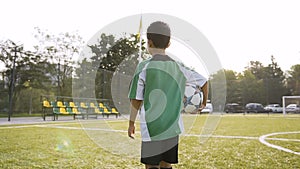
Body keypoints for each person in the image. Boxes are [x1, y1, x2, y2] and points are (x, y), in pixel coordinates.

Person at [128, 21, 208, 169]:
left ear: (149, 42)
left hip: (152, 128)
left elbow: (136, 99)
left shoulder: (144, 67)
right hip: (172, 127)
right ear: (169, 43)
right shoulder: (179, 66)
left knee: (151, 166)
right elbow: (204, 82)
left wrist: (131, 122)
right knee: (167, 165)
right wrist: (203, 103)